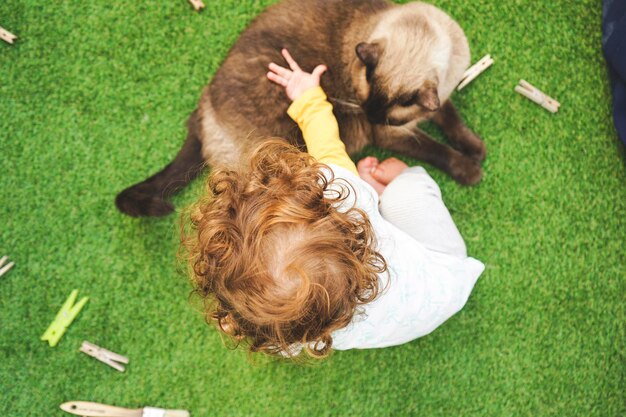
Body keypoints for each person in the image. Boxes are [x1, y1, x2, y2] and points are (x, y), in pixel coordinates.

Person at [184, 49, 484, 358]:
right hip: (442, 277)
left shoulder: (288, 332)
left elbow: (273, 335)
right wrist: (307, 97)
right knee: (405, 191)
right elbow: (325, 144)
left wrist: (241, 320)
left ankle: (381, 195)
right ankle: (390, 184)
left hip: (396, 324)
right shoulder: (343, 193)